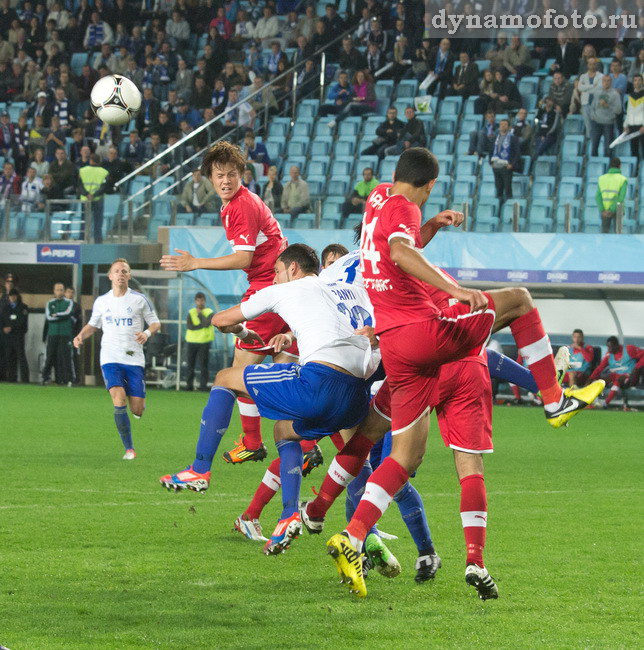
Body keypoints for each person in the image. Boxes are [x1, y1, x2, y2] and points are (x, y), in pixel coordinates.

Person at [322, 148, 604, 597]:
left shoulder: (377, 198)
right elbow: (399, 248)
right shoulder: (405, 208)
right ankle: (554, 400)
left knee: (404, 457)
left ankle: (351, 535)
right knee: (520, 300)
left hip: (395, 348)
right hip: (423, 335)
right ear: (430, 185)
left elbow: (395, 246)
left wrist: (430, 227)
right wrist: (455, 288)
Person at [160, 243, 377, 556]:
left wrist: (242, 332)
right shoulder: (339, 289)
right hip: (357, 395)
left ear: (292, 269)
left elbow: (220, 320)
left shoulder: (284, 290)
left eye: (276, 272)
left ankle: (199, 470)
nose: (273, 279)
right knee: (284, 431)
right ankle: (290, 514)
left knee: (225, 378)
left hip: (320, 381)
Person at [160, 141, 299, 464]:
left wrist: (196, 263)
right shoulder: (239, 202)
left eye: (232, 174)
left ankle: (252, 442)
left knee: (239, 374)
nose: (225, 180)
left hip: (268, 289)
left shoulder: (240, 205)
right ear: (209, 177)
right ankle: (304, 444)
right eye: (219, 175)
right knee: (284, 375)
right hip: (278, 287)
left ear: (242, 175)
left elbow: (243, 257)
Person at [74, 259, 160, 459]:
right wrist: (80, 336)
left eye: (124, 271)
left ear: (129, 276)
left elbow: (156, 323)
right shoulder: (102, 301)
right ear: (110, 276)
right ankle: (129, 449)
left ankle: (135, 404)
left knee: (138, 409)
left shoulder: (139, 299)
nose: (121, 274)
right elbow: (93, 325)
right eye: (117, 271)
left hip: (134, 359)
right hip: (110, 357)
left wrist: (146, 333)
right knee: (118, 399)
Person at [589, 336, 643, 410]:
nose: (608, 349)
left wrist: (637, 368)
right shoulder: (609, 355)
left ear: (616, 345)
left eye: (610, 347)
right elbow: (600, 368)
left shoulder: (629, 349)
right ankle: (592, 403)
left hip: (630, 377)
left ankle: (605, 404)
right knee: (599, 381)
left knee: (618, 380)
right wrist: (591, 378)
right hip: (615, 376)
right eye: (608, 347)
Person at [41, 281, 74, 386]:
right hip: (52, 333)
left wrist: (56, 315)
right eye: (57, 290)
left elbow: (67, 313)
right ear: (54, 291)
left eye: (61, 290)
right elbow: (49, 317)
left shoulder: (69, 302)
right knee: (50, 356)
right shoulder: (50, 303)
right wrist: (60, 317)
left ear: (64, 291)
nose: (59, 292)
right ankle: (45, 378)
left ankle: (69, 379)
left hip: (65, 334)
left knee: (66, 356)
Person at [184, 292, 214, 392]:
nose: (200, 302)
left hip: (204, 342)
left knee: (203, 366)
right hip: (191, 341)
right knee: (190, 365)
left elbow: (206, 324)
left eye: (201, 300)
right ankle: (189, 386)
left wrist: (200, 314)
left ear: (204, 301)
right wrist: (200, 324)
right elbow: (189, 326)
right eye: (198, 300)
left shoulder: (210, 312)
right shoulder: (191, 311)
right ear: (195, 301)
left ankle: (203, 386)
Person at [78, 153, 109, 243]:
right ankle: (97, 240)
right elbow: (104, 187)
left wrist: (87, 194)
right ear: (99, 161)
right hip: (98, 199)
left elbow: (79, 185)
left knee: (84, 220)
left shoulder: (82, 170)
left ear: (90, 160)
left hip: (85, 199)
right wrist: (94, 195)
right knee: (98, 221)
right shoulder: (104, 172)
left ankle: (82, 239)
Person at [0, 287, 29, 382]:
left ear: (17, 296)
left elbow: (22, 322)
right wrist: (3, 329)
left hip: (18, 336)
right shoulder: (5, 308)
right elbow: (2, 320)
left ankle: (25, 379)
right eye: (10, 296)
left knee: (21, 357)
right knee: (9, 357)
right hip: (7, 338)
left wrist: (11, 327)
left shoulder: (23, 308)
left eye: (14, 296)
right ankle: (11, 378)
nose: (12, 298)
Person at [589, 75, 622, 158]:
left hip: (608, 123)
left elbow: (618, 110)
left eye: (608, 81)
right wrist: (593, 116)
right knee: (594, 146)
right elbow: (593, 105)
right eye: (604, 80)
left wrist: (607, 106)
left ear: (611, 82)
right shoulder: (597, 92)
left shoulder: (615, 94)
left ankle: (607, 166)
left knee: (608, 148)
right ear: (602, 82)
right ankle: (594, 165)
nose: (606, 83)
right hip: (596, 122)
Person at [595, 158, 628, 233]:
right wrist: (611, 210)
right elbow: (620, 197)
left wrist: (602, 210)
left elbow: (598, 196)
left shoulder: (602, 178)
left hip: (605, 210)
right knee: (618, 234)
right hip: (617, 210)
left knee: (604, 235)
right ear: (620, 166)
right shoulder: (623, 179)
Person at [490, 119, 520, 202]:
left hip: (506, 167)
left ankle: (508, 209)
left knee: (507, 189)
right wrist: (491, 162)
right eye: (501, 124)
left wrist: (512, 164)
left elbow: (517, 153)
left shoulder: (513, 138)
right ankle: (499, 209)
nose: (502, 126)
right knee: (498, 189)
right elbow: (491, 150)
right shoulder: (495, 138)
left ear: (509, 127)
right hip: (496, 167)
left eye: (505, 124)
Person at [576, 57, 603, 137]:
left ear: (596, 65)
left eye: (594, 64)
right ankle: (589, 142)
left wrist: (586, 88)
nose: (592, 66)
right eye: (590, 64)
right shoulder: (583, 76)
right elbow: (580, 88)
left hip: (596, 104)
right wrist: (592, 86)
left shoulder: (601, 76)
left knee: (597, 125)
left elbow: (599, 88)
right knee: (588, 126)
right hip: (585, 103)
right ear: (587, 65)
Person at [622, 74, 644, 159]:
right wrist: (625, 125)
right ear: (633, 82)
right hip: (632, 126)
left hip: (641, 127)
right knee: (633, 150)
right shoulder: (630, 95)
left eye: (639, 80)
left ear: (642, 82)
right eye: (635, 80)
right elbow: (629, 112)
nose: (637, 82)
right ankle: (635, 169)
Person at [65, 286, 82, 384]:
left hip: (73, 336)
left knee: (73, 357)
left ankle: (75, 379)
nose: (70, 294)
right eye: (68, 292)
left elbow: (79, 323)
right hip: (62, 335)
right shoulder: (61, 305)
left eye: (72, 292)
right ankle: (63, 377)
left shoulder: (76, 307)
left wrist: (78, 336)